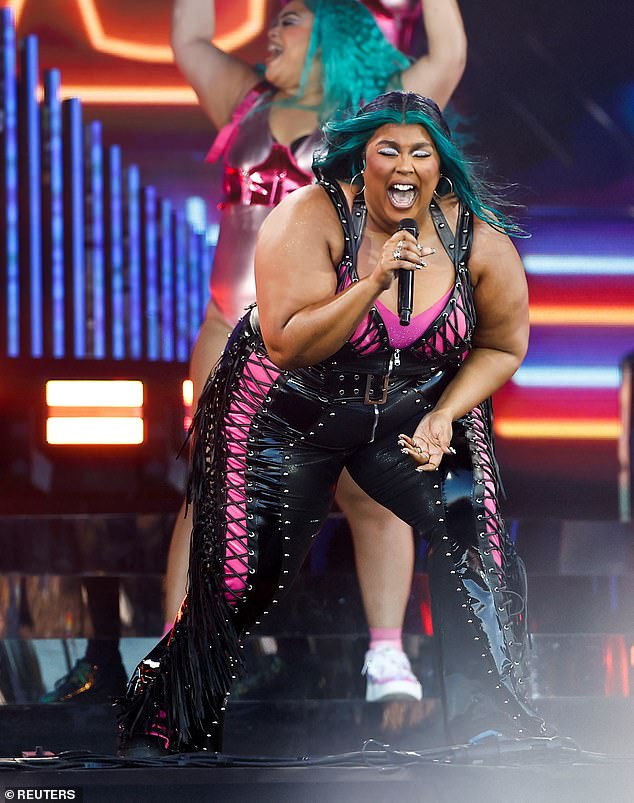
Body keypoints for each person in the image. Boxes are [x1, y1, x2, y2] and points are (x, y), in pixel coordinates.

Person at [118, 91, 548, 756]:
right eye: (388, 150)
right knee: (240, 574)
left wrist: (442, 413)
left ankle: (493, 727)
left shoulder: (475, 239)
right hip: (288, 407)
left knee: (477, 535)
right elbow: (288, 344)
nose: (404, 165)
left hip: (410, 410)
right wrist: (372, 282)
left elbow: (503, 344)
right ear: (361, 160)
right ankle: (167, 714)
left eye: (420, 152)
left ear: (440, 165)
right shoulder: (308, 217)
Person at [164, 0, 468, 705]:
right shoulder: (243, 102)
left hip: (333, 336)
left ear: (332, 34)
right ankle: (181, 653)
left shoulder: (378, 122)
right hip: (231, 330)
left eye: (290, 18)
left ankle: (387, 659)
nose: (270, 29)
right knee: (210, 494)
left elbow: (447, 55)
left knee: (370, 490)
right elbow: (188, 36)